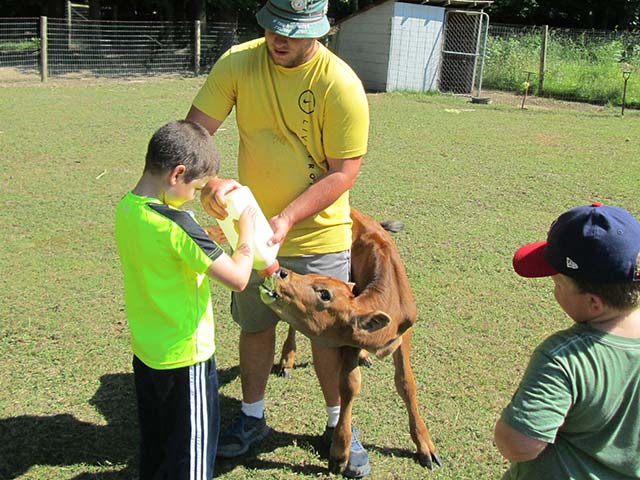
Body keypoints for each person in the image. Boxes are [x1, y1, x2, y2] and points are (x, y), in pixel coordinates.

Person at [186, 0, 371, 477]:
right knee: (255, 323)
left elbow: (343, 173)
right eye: (272, 28)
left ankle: (338, 426)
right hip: (248, 228)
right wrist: (210, 183)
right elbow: (196, 132)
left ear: (321, 31)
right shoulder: (238, 62)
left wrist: (286, 218)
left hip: (318, 233)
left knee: (326, 337)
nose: (278, 39)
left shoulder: (341, 86)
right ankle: (252, 418)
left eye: (292, 32)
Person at [114, 120, 257, 480]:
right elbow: (239, 278)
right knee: (190, 464)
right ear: (177, 174)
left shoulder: (126, 210)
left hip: (147, 355)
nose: (195, 196)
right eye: (195, 186)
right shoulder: (177, 225)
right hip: (186, 361)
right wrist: (247, 233)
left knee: (158, 452)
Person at [494, 202, 640, 479]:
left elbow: (519, 446)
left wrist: (504, 430)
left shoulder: (565, 358)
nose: (554, 292)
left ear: (593, 303)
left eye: (558, 285)